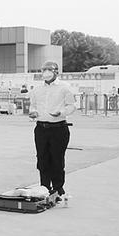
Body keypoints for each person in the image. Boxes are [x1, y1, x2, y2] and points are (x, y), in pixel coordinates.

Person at [28, 61, 75, 200]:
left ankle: (58, 188)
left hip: (58, 128)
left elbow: (71, 106)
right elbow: (33, 105)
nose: (46, 72)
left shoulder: (65, 87)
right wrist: (33, 112)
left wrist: (61, 112)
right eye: (44, 69)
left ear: (56, 72)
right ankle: (44, 188)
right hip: (41, 128)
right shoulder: (37, 89)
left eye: (50, 69)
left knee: (57, 159)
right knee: (42, 158)